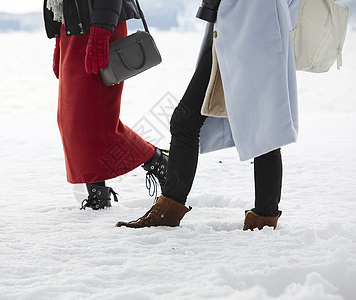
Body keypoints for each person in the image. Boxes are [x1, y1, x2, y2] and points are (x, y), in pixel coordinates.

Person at [116, 0, 300, 230]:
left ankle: (262, 218)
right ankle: (262, 217)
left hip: (257, 26)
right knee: (260, 125)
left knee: (260, 127)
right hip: (242, 25)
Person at [43, 0, 168, 210]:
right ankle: (98, 194)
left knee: (97, 122)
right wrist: (58, 39)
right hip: (73, 28)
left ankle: (159, 162)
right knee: (71, 121)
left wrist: (101, 33)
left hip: (99, 28)